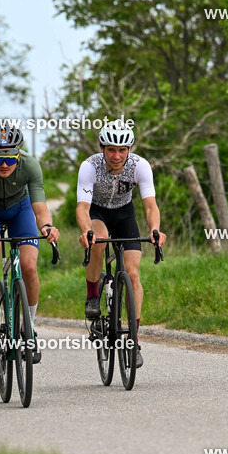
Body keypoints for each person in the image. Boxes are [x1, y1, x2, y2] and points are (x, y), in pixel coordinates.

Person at [77, 119, 166, 369]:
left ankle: (133, 340)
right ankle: (93, 295)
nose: (116, 156)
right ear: (102, 148)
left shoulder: (140, 166)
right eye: (111, 150)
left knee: (133, 274)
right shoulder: (90, 166)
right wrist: (86, 231)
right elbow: (82, 207)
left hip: (125, 214)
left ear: (129, 149)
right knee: (99, 241)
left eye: (122, 150)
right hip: (97, 212)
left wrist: (155, 230)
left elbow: (150, 206)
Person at [0, 125, 60, 361]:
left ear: (18, 155)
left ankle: (29, 328)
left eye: (10, 159)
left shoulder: (30, 165)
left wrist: (47, 226)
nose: (5, 165)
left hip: (21, 210)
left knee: (28, 266)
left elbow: (40, 210)